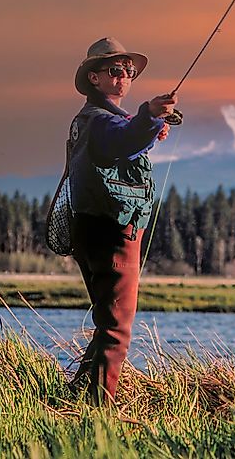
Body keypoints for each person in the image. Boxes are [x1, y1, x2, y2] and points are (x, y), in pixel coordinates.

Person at [67, 37, 177, 404]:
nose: (124, 77)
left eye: (128, 71)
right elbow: (120, 140)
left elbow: (123, 144)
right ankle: (99, 411)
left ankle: (74, 398)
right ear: (93, 78)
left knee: (106, 323)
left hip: (93, 228)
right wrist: (148, 116)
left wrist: (149, 129)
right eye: (115, 70)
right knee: (117, 328)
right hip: (112, 232)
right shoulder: (99, 120)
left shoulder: (96, 120)